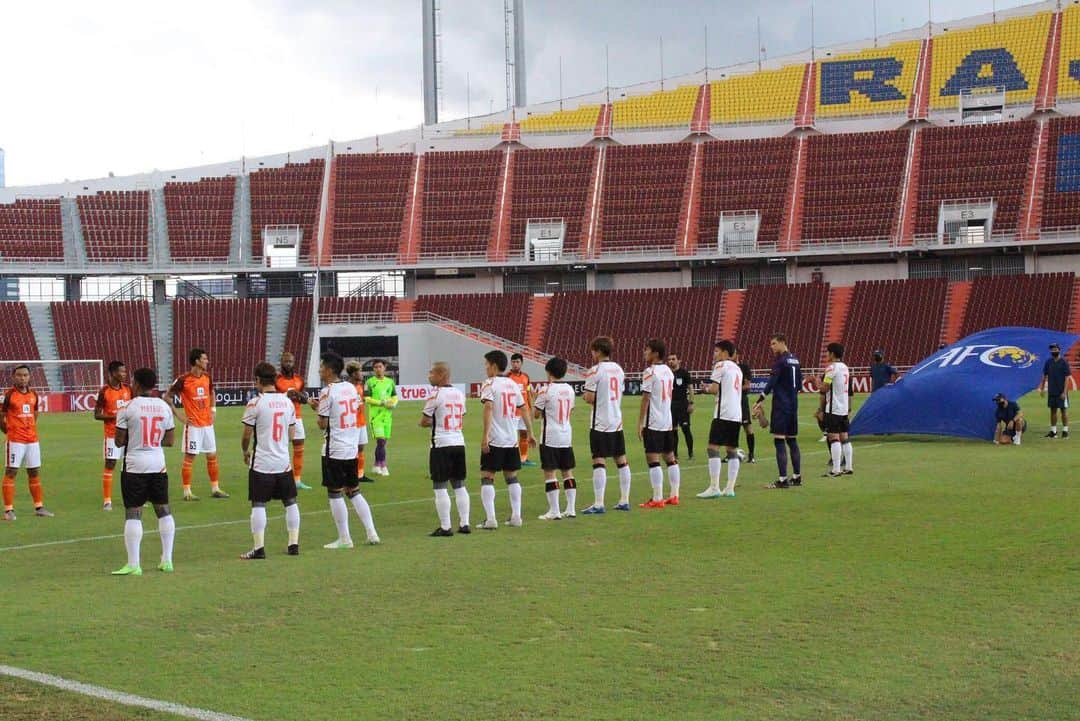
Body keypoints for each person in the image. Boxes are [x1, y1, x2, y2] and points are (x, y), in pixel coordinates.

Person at [112, 367, 176, 575]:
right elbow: (169, 441)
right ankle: (167, 560)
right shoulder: (164, 407)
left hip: (134, 466)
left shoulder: (127, 408)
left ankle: (134, 564)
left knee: (133, 512)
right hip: (158, 464)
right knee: (163, 510)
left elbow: (119, 441)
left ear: (136, 383)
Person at [311, 352, 380, 548]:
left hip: (334, 449)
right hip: (351, 448)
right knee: (354, 491)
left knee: (335, 493)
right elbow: (351, 409)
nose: (320, 370)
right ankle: (371, 532)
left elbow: (322, 424)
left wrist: (318, 410)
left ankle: (344, 538)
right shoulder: (351, 388)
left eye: (322, 366)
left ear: (330, 369)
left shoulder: (328, 391)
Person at [241, 362, 301, 559]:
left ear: (258, 380)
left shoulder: (255, 403)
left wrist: (245, 451)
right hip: (283, 461)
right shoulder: (288, 403)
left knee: (258, 504)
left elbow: (246, 435)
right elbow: (292, 435)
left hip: (262, 463)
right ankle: (293, 544)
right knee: (290, 502)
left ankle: (259, 548)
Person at [478, 350, 535, 529]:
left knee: (488, 476)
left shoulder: (489, 384)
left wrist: (485, 436)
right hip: (512, 439)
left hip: (495, 438)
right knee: (512, 476)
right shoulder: (512, 384)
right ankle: (516, 516)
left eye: (486, 364)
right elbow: (524, 408)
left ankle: (491, 519)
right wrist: (531, 432)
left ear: (494, 366)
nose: (485, 368)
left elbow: (488, 408)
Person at [169, 348, 228, 500]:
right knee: (190, 457)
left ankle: (215, 488)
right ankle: (187, 492)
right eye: (204, 359)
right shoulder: (183, 379)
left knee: (212, 456)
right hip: (194, 426)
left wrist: (213, 410)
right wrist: (179, 415)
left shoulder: (207, 377)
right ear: (196, 361)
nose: (207, 361)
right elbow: (166, 396)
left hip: (208, 424)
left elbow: (211, 392)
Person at [582, 336, 632, 514]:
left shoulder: (595, 371)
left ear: (597, 351)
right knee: (621, 460)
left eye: (593, 351)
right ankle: (624, 500)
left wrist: (586, 397)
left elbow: (589, 397)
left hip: (600, 421)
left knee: (599, 460)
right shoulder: (619, 370)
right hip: (616, 420)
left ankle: (598, 503)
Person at [420, 362, 470, 536]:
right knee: (459, 484)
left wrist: (435, 421)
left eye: (431, 372)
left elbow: (424, 421)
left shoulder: (435, 394)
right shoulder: (459, 394)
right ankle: (465, 523)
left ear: (441, 375)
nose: (429, 375)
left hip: (441, 444)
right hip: (459, 442)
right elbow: (460, 415)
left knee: (440, 486)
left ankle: (446, 527)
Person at [0, 365, 53, 520]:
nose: (22, 378)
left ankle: (39, 507)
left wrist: (28, 428)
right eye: (19, 375)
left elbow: (35, 413)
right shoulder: (8, 395)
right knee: (11, 472)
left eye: (25, 375)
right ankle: (8, 510)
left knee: (34, 471)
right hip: (15, 440)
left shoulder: (33, 394)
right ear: (13, 377)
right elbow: (1, 416)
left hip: (32, 440)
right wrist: (10, 431)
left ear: (29, 377)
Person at [753, 333, 803, 489]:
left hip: (781, 406)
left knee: (779, 441)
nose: (772, 347)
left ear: (782, 342)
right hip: (793, 406)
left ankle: (782, 480)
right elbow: (800, 385)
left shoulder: (780, 361)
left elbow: (771, 383)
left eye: (774, 343)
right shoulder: (795, 360)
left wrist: (759, 399)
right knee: (792, 440)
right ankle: (797, 477)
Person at [698, 340, 743, 498]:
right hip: (736, 414)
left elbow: (715, 389)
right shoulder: (738, 369)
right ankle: (729, 488)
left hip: (722, 413)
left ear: (724, 353)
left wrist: (706, 389)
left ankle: (714, 487)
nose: (715, 354)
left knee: (713, 448)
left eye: (717, 351)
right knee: (732, 450)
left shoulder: (720, 366)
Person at [638, 338, 680, 509]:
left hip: (654, 421)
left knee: (653, 458)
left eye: (647, 350)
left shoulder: (649, 372)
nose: (644, 352)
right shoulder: (669, 372)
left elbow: (646, 398)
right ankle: (674, 495)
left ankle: (657, 498)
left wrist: (640, 422)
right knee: (670, 457)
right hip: (667, 420)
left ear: (655, 353)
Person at [533, 357, 577, 520]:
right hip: (566, 434)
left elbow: (536, 414)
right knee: (567, 471)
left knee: (550, 472)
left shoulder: (545, 390)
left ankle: (555, 510)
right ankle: (571, 509)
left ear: (548, 371)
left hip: (550, 435)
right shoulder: (570, 390)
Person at [94, 360, 132, 511]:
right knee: (110, 464)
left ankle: (130, 498)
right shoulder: (104, 391)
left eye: (124, 371)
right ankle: (107, 500)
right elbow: (96, 415)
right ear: (112, 373)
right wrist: (115, 417)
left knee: (129, 466)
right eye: (121, 372)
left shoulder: (129, 389)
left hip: (129, 435)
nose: (124, 374)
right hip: (112, 435)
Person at [275, 351, 312, 490]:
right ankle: (280, 479)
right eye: (286, 361)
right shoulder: (276, 380)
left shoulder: (300, 380)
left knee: (299, 448)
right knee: (281, 448)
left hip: (296, 417)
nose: (288, 364)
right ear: (281, 363)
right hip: (281, 418)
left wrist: (300, 396)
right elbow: (272, 396)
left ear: (294, 363)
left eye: (290, 361)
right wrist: (287, 394)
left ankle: (297, 480)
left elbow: (303, 398)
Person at [818, 342, 854, 477]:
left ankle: (836, 469)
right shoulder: (845, 367)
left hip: (834, 408)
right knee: (845, 437)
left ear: (832, 354)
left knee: (834, 438)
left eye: (827, 352)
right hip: (844, 408)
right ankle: (849, 467)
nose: (826, 354)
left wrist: (814, 381)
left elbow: (824, 388)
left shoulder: (831, 368)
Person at [364, 359, 397, 475]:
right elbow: (367, 399)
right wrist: (381, 403)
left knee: (383, 443)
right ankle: (383, 465)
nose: (378, 369)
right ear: (373, 369)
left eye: (380, 367)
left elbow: (394, 396)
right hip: (375, 417)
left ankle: (376, 464)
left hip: (387, 416)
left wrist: (393, 403)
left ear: (384, 368)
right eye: (376, 367)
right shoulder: (369, 382)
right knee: (381, 441)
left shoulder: (390, 382)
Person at [345, 361, 374, 483]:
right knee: (352, 449)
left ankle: (360, 474)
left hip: (361, 421)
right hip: (352, 423)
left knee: (361, 447)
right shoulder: (347, 387)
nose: (361, 374)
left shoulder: (360, 386)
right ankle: (350, 474)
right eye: (359, 371)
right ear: (353, 374)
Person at [507, 352, 536, 467]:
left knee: (524, 434)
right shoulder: (507, 377)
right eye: (513, 362)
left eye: (517, 362)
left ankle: (523, 459)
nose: (515, 364)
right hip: (512, 412)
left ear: (521, 363)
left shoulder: (526, 377)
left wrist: (531, 407)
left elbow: (528, 391)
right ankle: (511, 458)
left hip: (524, 411)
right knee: (512, 436)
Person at [667, 353, 695, 460]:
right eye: (669, 359)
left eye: (673, 359)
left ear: (679, 361)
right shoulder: (667, 373)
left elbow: (690, 388)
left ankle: (690, 453)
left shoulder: (684, 373)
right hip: (671, 406)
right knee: (673, 430)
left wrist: (691, 403)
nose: (671, 361)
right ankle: (675, 454)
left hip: (683, 405)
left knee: (686, 429)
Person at [1041, 342, 1071, 439]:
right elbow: (1045, 376)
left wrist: (1064, 392)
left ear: (1059, 350)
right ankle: (1053, 432)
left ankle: (1065, 431)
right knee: (1053, 411)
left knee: (1063, 410)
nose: (1053, 351)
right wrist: (1042, 389)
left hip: (1061, 391)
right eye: (1052, 349)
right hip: (1052, 391)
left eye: (1055, 349)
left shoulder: (1064, 362)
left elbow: (1067, 378)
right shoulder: (1048, 362)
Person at [734, 350, 756, 463]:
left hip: (741, 401)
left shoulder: (744, 368)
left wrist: (733, 390)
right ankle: (731, 454)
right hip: (730, 402)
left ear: (736, 355)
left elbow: (747, 386)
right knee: (732, 428)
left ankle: (751, 455)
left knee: (747, 427)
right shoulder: (727, 368)